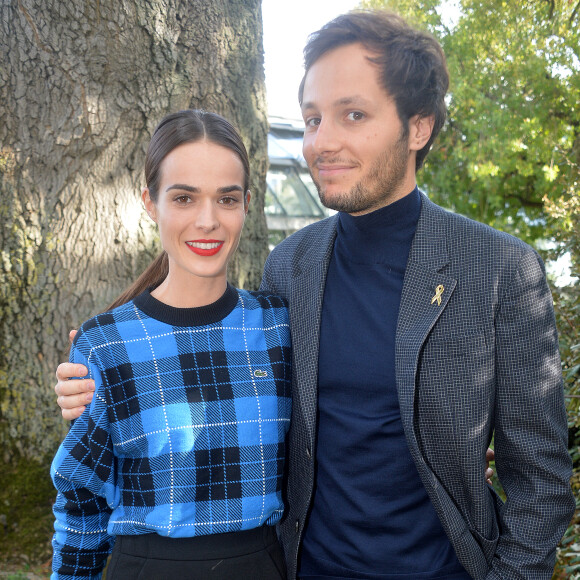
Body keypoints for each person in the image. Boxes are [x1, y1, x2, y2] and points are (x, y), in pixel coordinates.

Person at [55, 9, 574, 580]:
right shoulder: (291, 266)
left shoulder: (499, 269)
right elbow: (222, 367)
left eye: (353, 115)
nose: (322, 142)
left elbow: (541, 483)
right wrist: (102, 374)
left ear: (418, 127)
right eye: (311, 119)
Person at [50, 110, 291, 580]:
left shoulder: (277, 327)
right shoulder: (105, 344)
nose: (208, 221)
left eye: (226, 199)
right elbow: (82, 498)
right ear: (151, 202)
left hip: (263, 566)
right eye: (184, 198)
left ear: (246, 204)